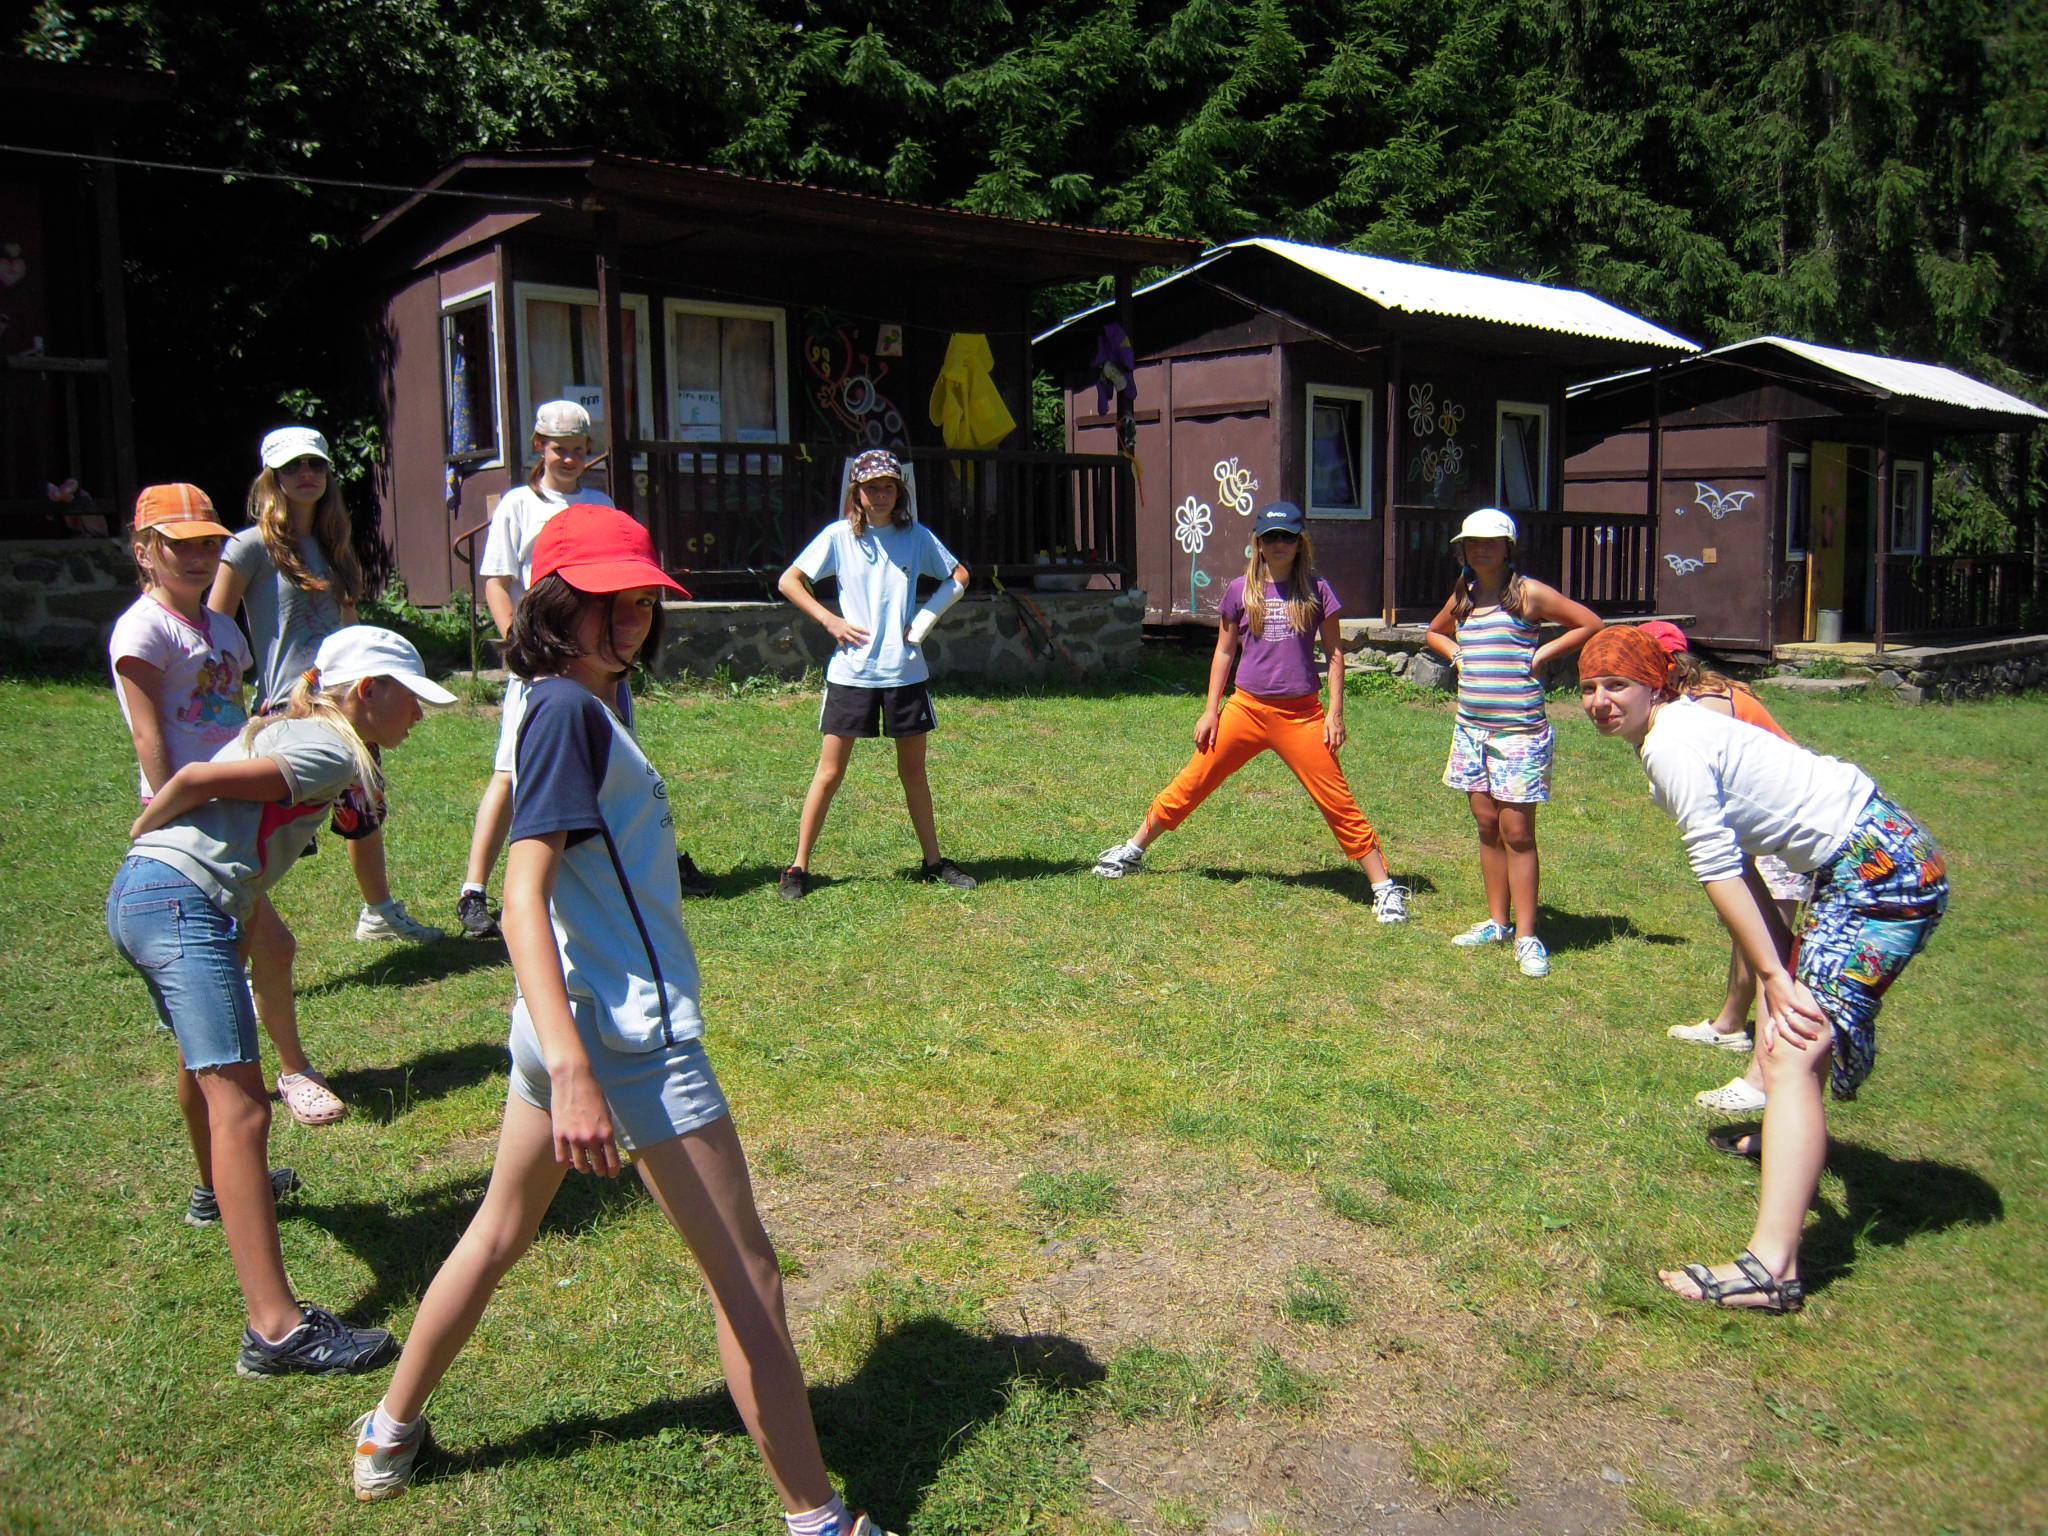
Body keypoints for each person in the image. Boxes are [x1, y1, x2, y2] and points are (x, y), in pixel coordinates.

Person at [346, 508, 898, 1536]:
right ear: (557, 603)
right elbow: (520, 894)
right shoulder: (564, 708)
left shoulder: (576, 698)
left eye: (643, 597)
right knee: (748, 1279)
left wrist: (558, 1044)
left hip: (567, 1012)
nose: (634, 615)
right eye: (610, 598)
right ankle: (817, 1520)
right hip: (627, 1040)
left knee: (499, 1230)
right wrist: (575, 1069)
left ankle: (387, 1431)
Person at [108, 624, 451, 1372]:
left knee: (204, 1061)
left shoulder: (289, 726)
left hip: (159, 899)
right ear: (367, 692)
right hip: (180, 900)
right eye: (411, 700)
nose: (419, 716)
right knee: (245, 1107)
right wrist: (147, 832)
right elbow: (193, 783)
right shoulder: (331, 749)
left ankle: (214, 1190)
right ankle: (276, 1332)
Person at [1579, 625, 1947, 1312]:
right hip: (1868, 861)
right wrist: (1779, 958)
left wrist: (1778, 981)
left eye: (1616, 685)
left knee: (1791, 1046)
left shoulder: (1673, 744)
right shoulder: (1674, 730)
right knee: (1793, 1036)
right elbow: (1742, 857)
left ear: (1656, 685)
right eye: (1588, 688)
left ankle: (1771, 1269)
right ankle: (1782, 1141)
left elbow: (1717, 864)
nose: (1600, 700)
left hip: (1882, 872)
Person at [111, 483, 346, 1136]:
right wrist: (169, 813)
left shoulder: (218, 627)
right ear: (143, 551)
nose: (198, 557)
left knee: (263, 947)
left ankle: (248, 1100)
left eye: (208, 545)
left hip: (230, 805)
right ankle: (279, 1080)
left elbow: (232, 716)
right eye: (178, 546)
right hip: (191, 817)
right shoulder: (143, 629)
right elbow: (148, 733)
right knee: (253, 951)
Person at [453, 400, 721, 936]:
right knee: (509, 770)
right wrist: (524, 647)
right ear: (539, 446)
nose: (570, 459)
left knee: (619, 759)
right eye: (560, 449)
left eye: (579, 449)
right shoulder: (517, 504)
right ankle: (475, 889)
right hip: (543, 659)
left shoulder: (599, 502)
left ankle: (635, 861)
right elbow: (497, 582)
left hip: (600, 661)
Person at [1093, 502, 1410, 921]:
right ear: (1258, 543)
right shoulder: (1240, 590)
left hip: (1301, 715)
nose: (1279, 544)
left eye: (1287, 536)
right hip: (1245, 708)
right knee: (1193, 780)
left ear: (1299, 542)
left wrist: (1335, 713)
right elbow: (1225, 651)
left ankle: (1384, 887)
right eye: (1271, 537)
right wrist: (1211, 710)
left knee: (1336, 800)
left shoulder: (1317, 590)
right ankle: (1133, 850)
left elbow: (1334, 652)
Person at [210, 425, 444, 944]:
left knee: (364, 812)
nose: (306, 474)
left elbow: (350, 629)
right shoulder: (248, 548)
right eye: (292, 466)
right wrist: (226, 703)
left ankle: (378, 913)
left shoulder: (335, 546)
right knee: (269, 831)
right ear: (271, 478)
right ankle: (230, 935)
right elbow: (214, 631)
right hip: (287, 710)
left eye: (315, 464)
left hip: (344, 704)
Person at [775, 449, 973, 899]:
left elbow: (959, 575)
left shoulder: (916, 536)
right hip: (852, 673)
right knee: (829, 773)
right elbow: (789, 581)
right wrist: (829, 620)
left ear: (899, 491)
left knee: (914, 773)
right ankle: (798, 867)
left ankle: (933, 861)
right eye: (871, 487)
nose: (880, 495)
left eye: (887, 486)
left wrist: (923, 621)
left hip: (905, 673)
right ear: (857, 493)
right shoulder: (838, 536)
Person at [1638, 620, 1812, 1121]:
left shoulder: (1705, 706)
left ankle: (1763, 1076)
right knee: (1749, 934)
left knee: (1772, 947)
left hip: (1784, 829)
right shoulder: (1690, 698)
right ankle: (1731, 1024)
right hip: (1760, 825)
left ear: (1670, 667)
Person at [1423, 508, 1602, 978]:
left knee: (1517, 833)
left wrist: (1543, 652)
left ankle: (1526, 935)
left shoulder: (1528, 593)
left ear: (1508, 548)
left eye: (1490, 542)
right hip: (1471, 730)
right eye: (1472, 542)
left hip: (1518, 733)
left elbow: (1589, 623)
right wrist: (1456, 653)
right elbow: (1434, 632)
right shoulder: (1464, 594)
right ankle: (1498, 923)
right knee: (1487, 826)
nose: (1480, 549)